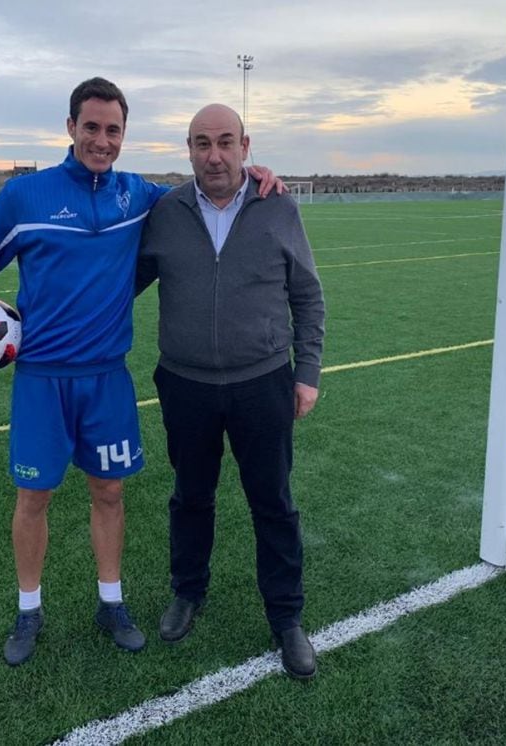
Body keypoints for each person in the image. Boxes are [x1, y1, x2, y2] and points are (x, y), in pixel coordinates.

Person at [0, 79, 281, 667]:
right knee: (33, 496)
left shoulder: (140, 198)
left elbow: (207, 186)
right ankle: (28, 610)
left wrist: (255, 173)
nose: (102, 140)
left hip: (107, 379)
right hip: (41, 379)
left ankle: (111, 603)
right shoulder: (24, 197)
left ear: (124, 135)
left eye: (113, 130)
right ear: (71, 128)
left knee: (110, 492)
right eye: (91, 127)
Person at [136, 104, 325, 680]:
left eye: (224, 142)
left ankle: (286, 618)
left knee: (273, 502)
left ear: (245, 145)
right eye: (201, 143)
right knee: (191, 497)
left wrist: (307, 372)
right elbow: (119, 285)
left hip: (261, 383)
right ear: (187, 148)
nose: (213, 155)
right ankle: (188, 592)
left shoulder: (279, 207)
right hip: (185, 383)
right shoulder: (165, 213)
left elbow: (308, 297)